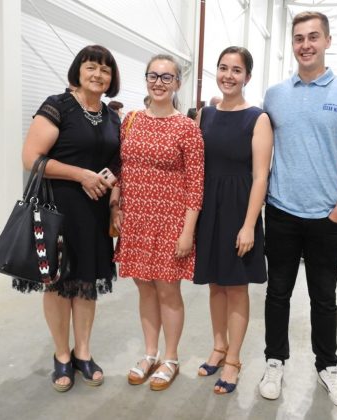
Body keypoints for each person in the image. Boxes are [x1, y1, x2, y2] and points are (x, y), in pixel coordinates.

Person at [258, 11, 337, 409]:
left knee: (324, 298)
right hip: (281, 213)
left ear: (327, 41)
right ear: (292, 44)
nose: (305, 45)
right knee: (277, 294)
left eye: (313, 37)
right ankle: (275, 361)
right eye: (299, 38)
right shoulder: (275, 95)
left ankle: (328, 366)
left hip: (326, 217)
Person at [16, 45, 121, 392]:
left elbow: (117, 160)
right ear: (78, 70)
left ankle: (83, 352)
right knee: (59, 285)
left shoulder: (111, 116)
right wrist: (81, 175)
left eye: (105, 70)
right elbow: (31, 158)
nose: (97, 75)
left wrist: (111, 182)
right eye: (91, 67)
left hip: (94, 210)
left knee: (86, 283)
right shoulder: (57, 106)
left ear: (111, 78)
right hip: (58, 210)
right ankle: (62, 354)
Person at [111, 54, 204, 391]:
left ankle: (171, 357)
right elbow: (121, 168)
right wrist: (115, 205)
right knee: (144, 287)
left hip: (170, 222)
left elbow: (195, 184)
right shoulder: (131, 121)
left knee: (167, 290)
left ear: (177, 83)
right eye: (154, 75)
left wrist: (188, 231)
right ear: (146, 79)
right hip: (136, 219)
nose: (159, 83)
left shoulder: (187, 128)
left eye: (167, 77)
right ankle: (150, 353)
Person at [194, 46, 273, 394]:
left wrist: (249, 224)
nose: (228, 75)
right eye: (223, 68)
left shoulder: (258, 118)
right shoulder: (205, 115)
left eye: (236, 70)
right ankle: (218, 345)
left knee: (236, 287)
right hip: (209, 207)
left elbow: (261, 176)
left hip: (240, 208)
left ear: (247, 77)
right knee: (215, 283)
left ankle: (234, 359)